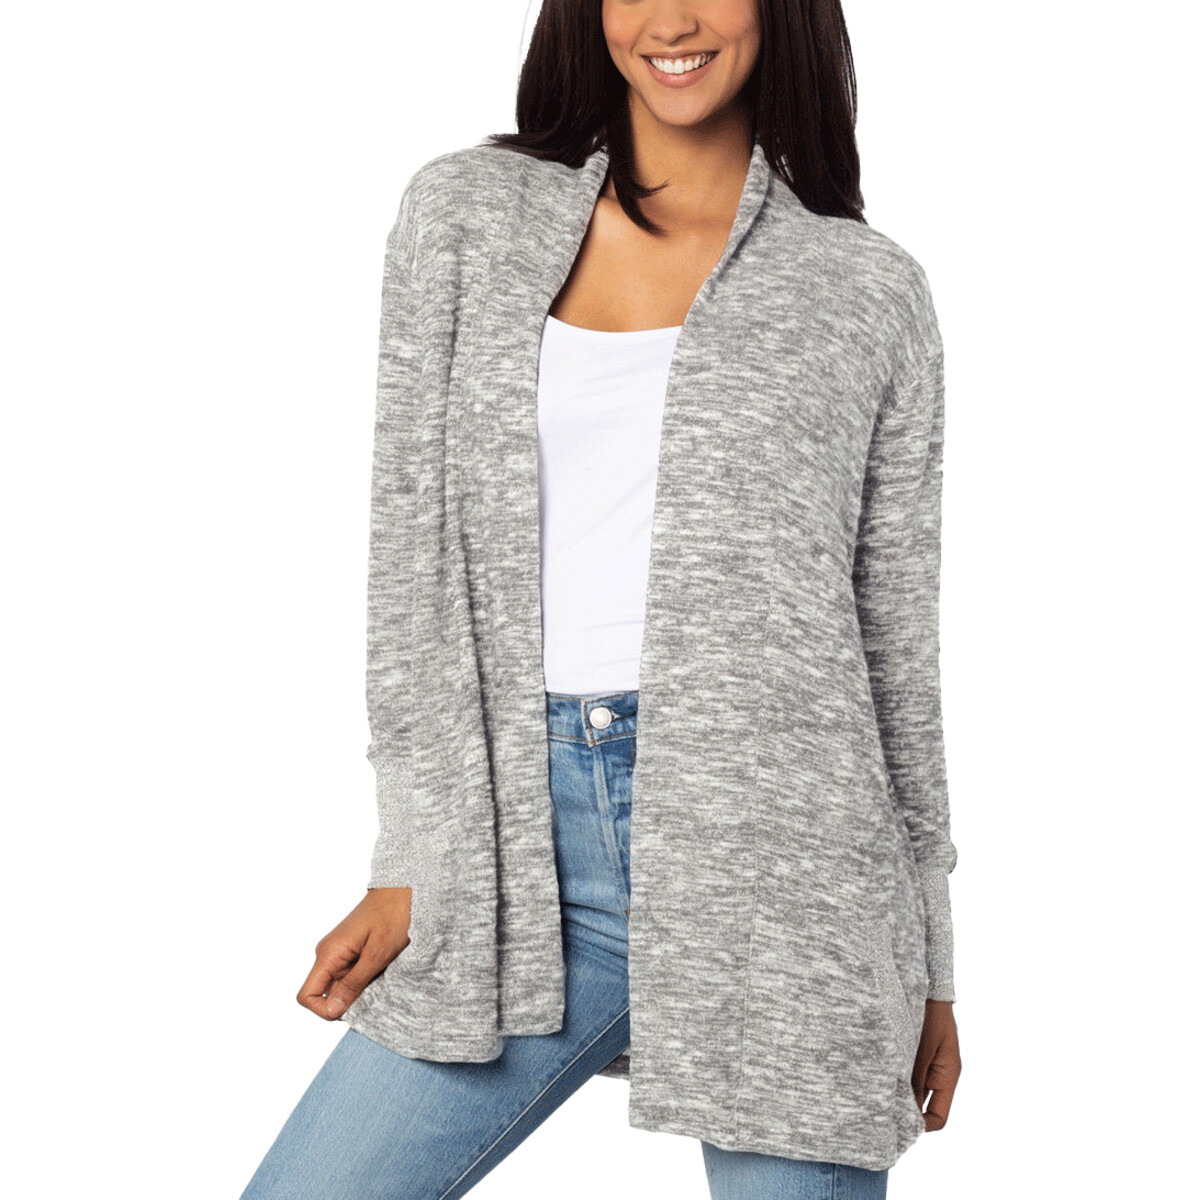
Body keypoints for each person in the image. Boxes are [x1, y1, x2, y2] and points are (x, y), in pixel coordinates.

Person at [240, 1, 962, 1197]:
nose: (671, 19)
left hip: (789, 878)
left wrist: (932, 960)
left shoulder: (867, 289)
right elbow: (410, 552)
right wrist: (412, 857)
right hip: (521, 854)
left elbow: (895, 642)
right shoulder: (467, 215)